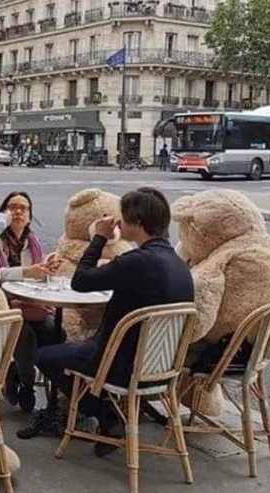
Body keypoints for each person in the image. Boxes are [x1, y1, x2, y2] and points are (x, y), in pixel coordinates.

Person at [25, 187, 195, 452]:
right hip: (163, 367)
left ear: (137, 223)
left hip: (118, 363)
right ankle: (111, 414)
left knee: (44, 355)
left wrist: (99, 238)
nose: (120, 223)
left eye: (123, 219)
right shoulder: (179, 265)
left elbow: (80, 281)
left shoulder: (137, 261)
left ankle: (105, 412)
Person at [0, 192, 59, 413]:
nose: (18, 212)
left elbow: (36, 276)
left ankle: (19, 374)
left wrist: (45, 269)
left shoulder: (33, 243)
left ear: (30, 216)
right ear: (3, 213)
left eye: (23, 208)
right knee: (25, 335)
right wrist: (26, 272)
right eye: (12, 207)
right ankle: (27, 384)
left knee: (55, 330)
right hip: (3, 305)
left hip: (33, 304)